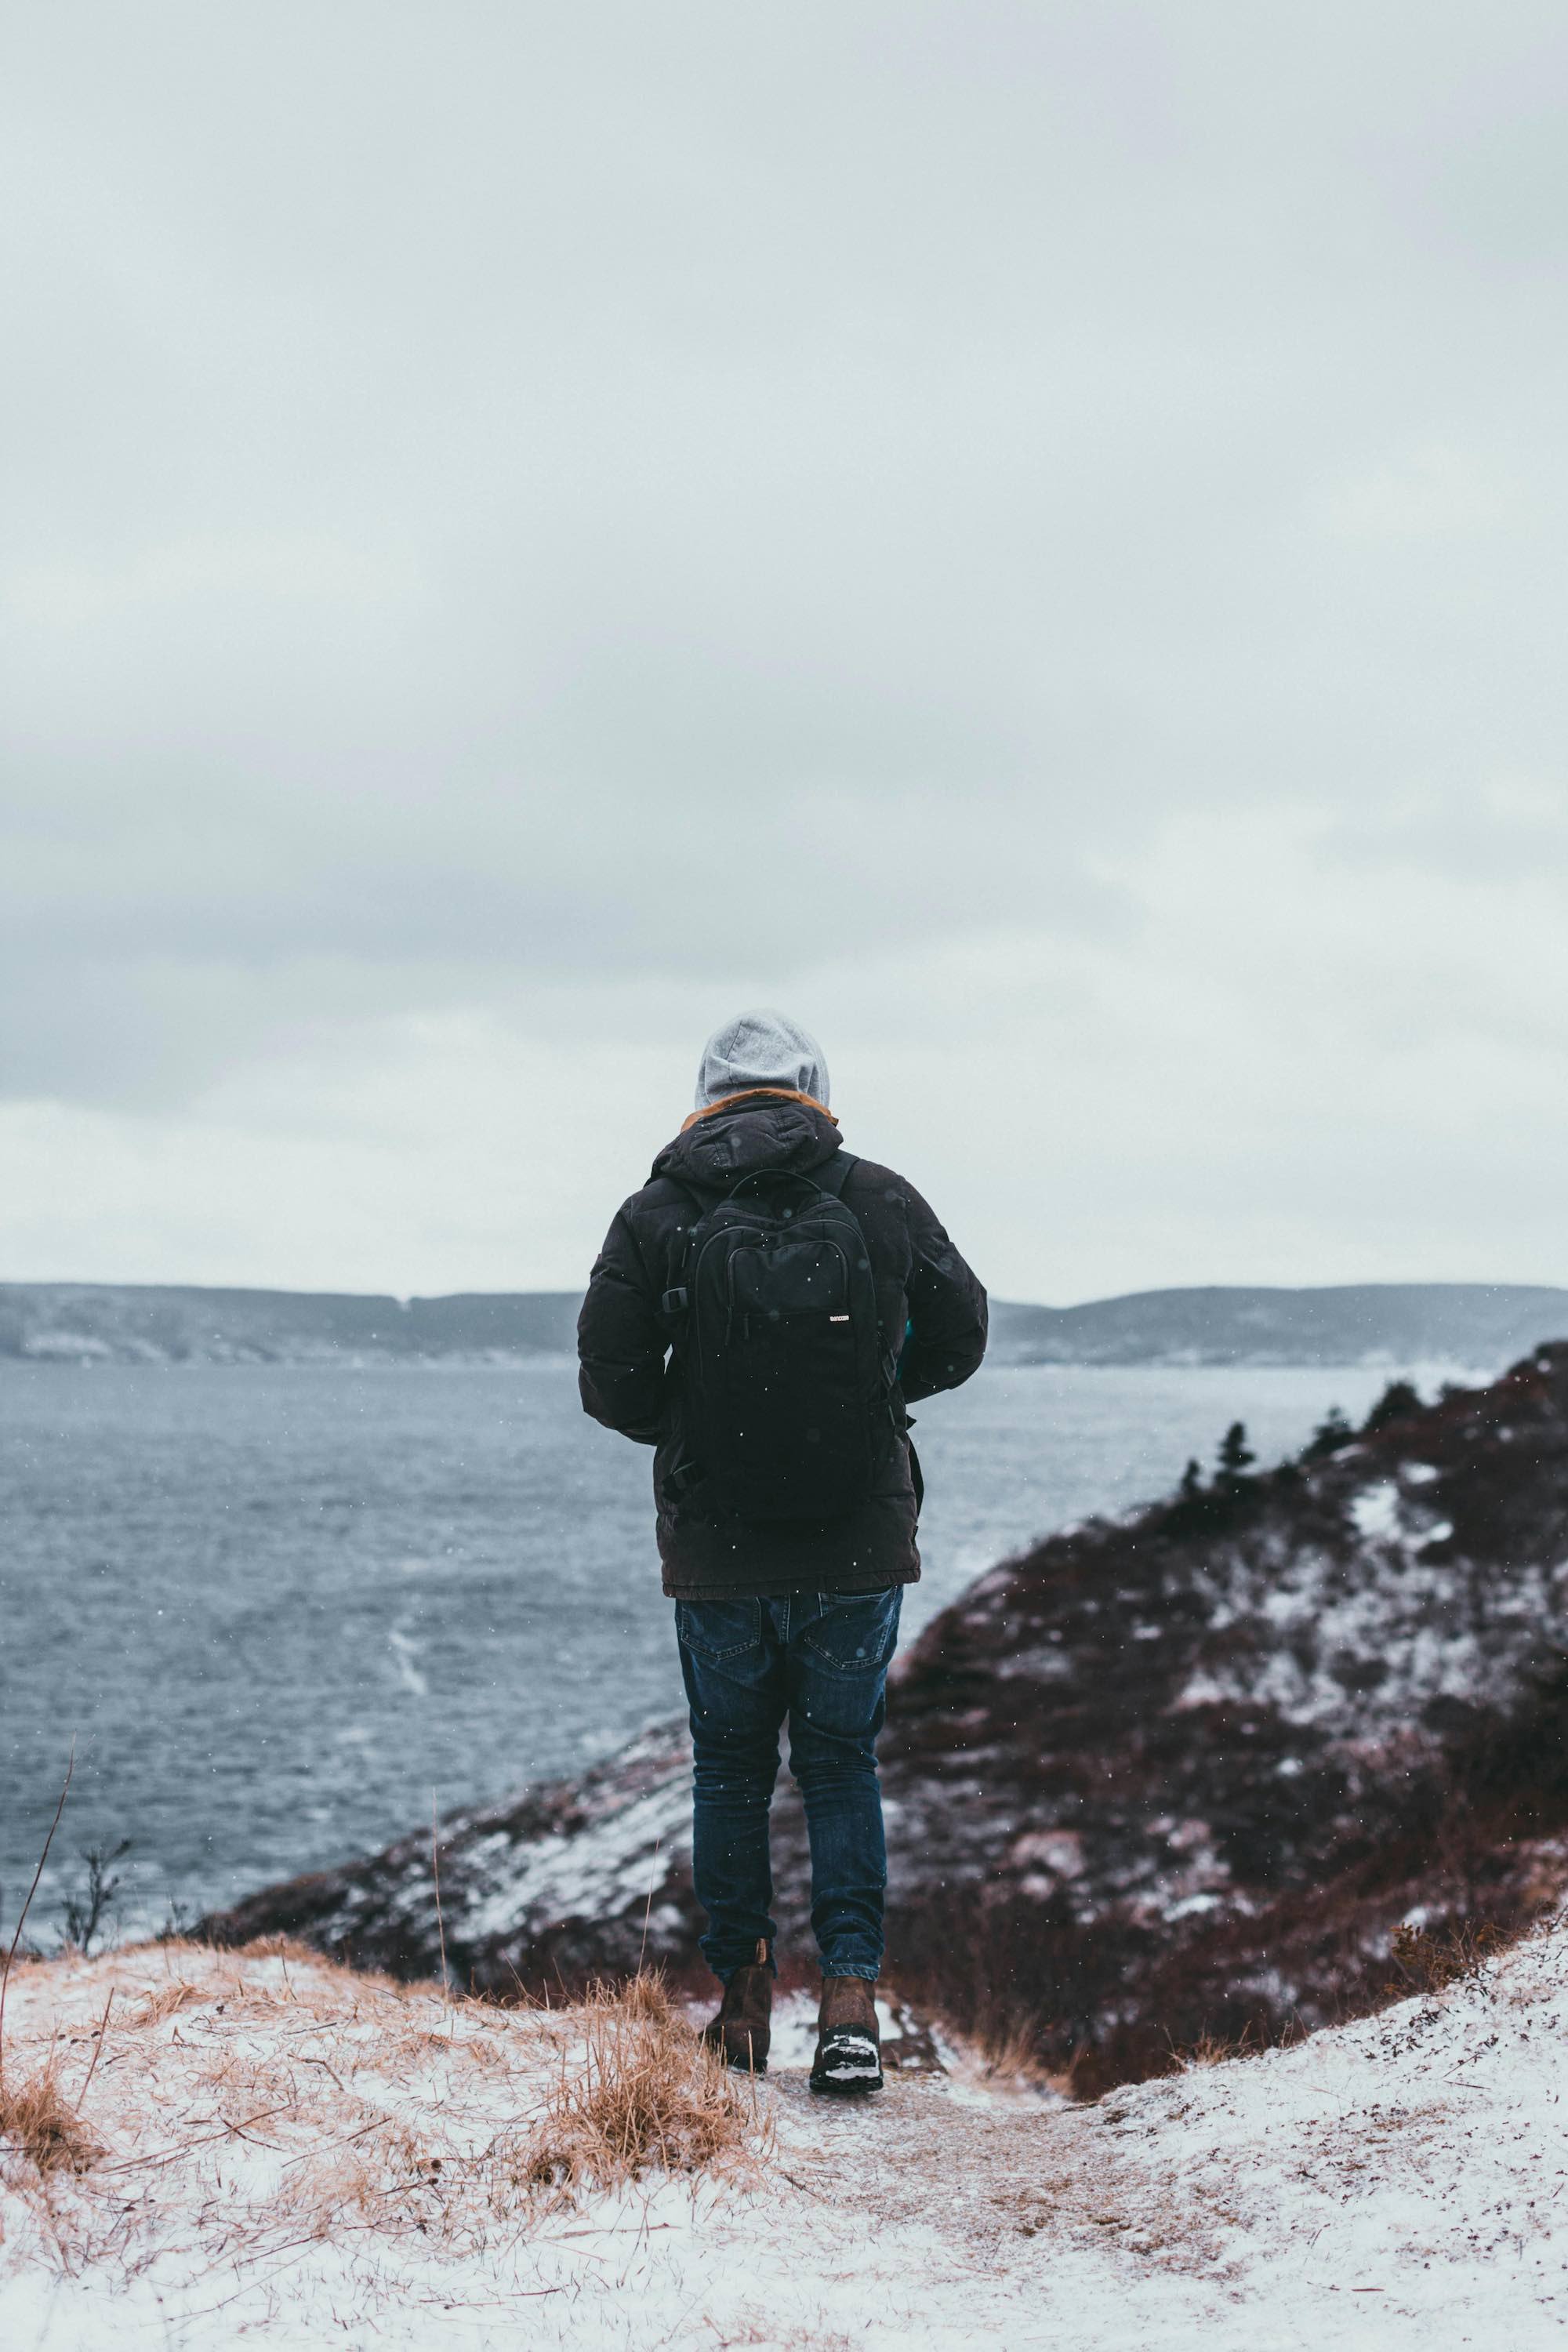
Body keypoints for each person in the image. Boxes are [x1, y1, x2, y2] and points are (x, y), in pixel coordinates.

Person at [577, 1010, 987, 2093]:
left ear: (706, 1094)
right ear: (814, 1086)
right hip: (856, 1543)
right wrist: (879, 1398)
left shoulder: (656, 1212)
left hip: (718, 1550)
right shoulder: (880, 1198)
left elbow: (610, 1387)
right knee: (842, 1765)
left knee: (731, 1771)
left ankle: (744, 2008)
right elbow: (964, 1333)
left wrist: (699, 1426)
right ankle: (851, 2005)